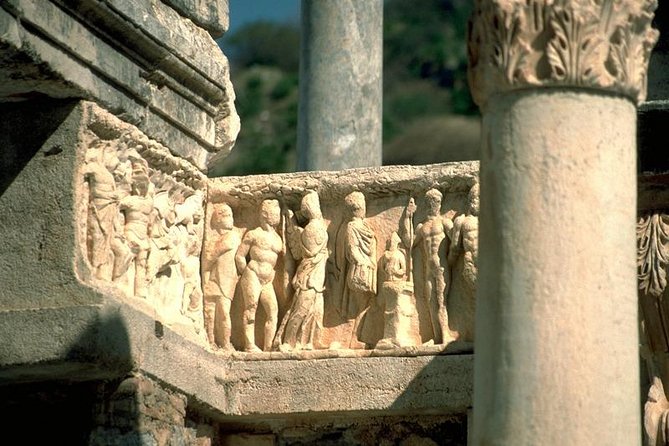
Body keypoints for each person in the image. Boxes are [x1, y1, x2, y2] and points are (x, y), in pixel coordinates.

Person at [276, 191, 328, 352]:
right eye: (315, 206)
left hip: (317, 276)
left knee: (315, 311)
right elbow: (310, 253)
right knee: (301, 310)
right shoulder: (312, 228)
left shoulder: (315, 226)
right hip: (309, 276)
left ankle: (307, 342)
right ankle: (289, 341)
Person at [406, 188, 457, 344]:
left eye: (436, 201)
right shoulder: (422, 227)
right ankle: (436, 337)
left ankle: (446, 335)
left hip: (441, 267)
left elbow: (456, 241)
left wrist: (450, 258)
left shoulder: (445, 222)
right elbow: (409, 243)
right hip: (428, 269)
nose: (433, 205)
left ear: (440, 204)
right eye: (430, 202)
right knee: (431, 302)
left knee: (441, 301)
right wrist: (408, 216)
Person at [235, 199, 283, 352]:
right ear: (264, 214)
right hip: (253, 274)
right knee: (251, 307)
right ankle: (249, 344)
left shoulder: (278, 238)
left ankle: (268, 347)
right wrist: (246, 274)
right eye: (274, 213)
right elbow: (240, 256)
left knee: (273, 310)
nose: (277, 216)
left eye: (278, 213)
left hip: (268, 279)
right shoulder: (254, 234)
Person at [334, 191, 377, 349]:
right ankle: (353, 340)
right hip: (360, 270)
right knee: (361, 305)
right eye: (362, 206)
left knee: (365, 304)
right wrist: (363, 263)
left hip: (367, 268)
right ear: (358, 208)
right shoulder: (352, 226)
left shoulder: (361, 225)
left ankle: (357, 338)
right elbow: (352, 249)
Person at [202, 204, 241, 350]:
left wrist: (210, 255)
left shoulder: (232, 237)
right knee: (209, 311)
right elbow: (207, 260)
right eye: (227, 216)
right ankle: (211, 340)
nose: (231, 219)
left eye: (231, 215)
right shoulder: (214, 240)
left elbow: (212, 254)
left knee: (224, 312)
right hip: (213, 278)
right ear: (218, 219)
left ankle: (225, 343)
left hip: (226, 280)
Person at [447, 182, 479, 342]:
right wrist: (449, 265)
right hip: (470, 262)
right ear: (471, 200)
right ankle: (471, 333)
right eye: (477, 199)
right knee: (474, 299)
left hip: (488, 264)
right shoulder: (462, 221)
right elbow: (454, 247)